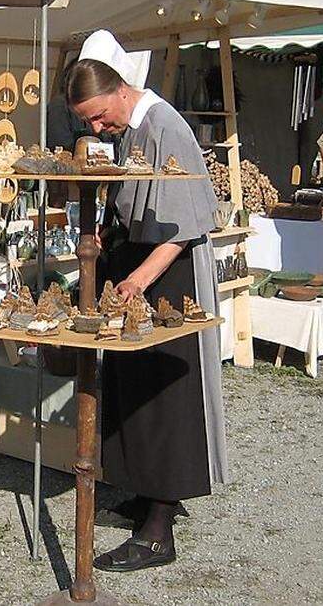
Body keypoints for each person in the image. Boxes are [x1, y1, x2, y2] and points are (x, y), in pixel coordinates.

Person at [64, 30, 226, 573]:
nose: (96, 128)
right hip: (141, 263)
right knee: (130, 386)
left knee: (166, 396)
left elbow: (182, 228)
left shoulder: (165, 126)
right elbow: (136, 199)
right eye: (88, 121)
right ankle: (145, 489)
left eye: (98, 116)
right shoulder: (133, 128)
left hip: (170, 274)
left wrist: (135, 280)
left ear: (121, 89)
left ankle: (159, 528)